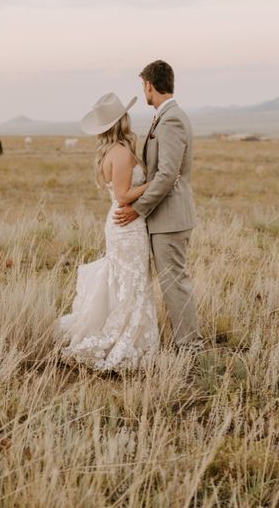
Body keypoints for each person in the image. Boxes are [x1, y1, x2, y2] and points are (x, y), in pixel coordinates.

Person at [54, 92, 160, 371]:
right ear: (122, 121)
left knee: (125, 280)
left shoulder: (110, 152)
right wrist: (155, 184)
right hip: (127, 224)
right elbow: (124, 196)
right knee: (132, 282)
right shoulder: (123, 154)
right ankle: (124, 339)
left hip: (120, 224)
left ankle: (129, 334)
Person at [114, 60, 203, 351]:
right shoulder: (163, 117)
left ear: (150, 85)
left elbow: (167, 175)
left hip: (171, 218)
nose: (144, 91)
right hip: (164, 218)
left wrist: (138, 209)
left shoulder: (173, 119)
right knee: (172, 282)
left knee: (174, 283)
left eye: (144, 86)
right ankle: (183, 341)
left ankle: (190, 346)